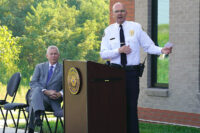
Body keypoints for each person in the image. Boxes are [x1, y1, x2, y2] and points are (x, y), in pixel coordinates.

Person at [100, 2, 172, 133]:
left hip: (131, 74)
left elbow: (148, 46)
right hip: (114, 73)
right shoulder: (108, 30)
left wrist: (162, 50)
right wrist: (119, 50)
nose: (120, 14)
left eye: (122, 11)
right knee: (116, 107)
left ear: (126, 13)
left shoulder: (136, 27)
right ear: (113, 14)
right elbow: (103, 54)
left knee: (131, 107)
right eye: (117, 11)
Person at [28, 45, 63, 133]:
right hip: (40, 97)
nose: (53, 56)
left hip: (53, 100)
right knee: (36, 90)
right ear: (47, 56)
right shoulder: (39, 67)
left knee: (34, 100)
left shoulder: (64, 68)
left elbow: (68, 87)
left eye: (55, 54)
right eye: (51, 54)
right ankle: (37, 116)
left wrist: (60, 94)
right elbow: (33, 83)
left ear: (58, 55)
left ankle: (35, 119)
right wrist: (46, 91)